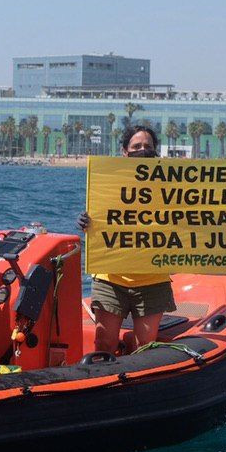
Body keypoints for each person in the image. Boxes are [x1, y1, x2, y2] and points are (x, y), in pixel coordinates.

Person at [78, 124, 175, 353]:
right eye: (136, 146)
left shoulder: (171, 184)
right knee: (104, 343)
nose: (143, 150)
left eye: (148, 147)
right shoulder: (107, 183)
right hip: (111, 277)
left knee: (146, 347)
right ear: (124, 151)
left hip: (152, 279)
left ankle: (131, 344)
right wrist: (86, 222)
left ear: (155, 152)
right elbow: (100, 220)